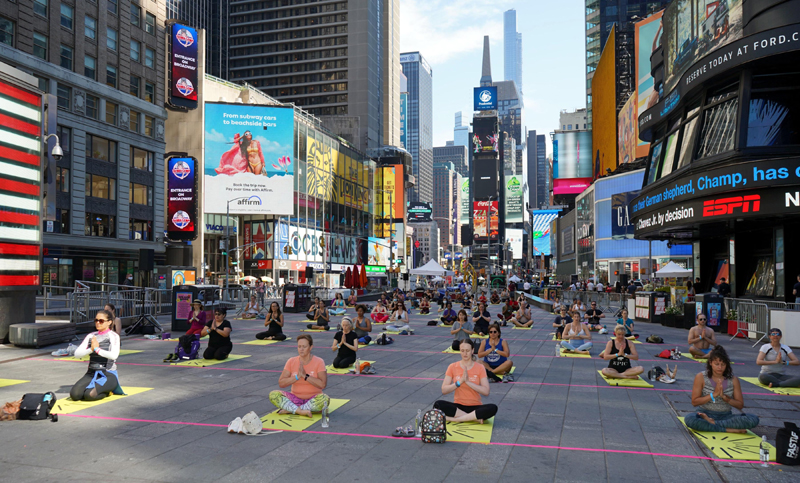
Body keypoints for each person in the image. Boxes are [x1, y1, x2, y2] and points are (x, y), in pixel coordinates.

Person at [684, 346, 759, 433]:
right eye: (717, 364)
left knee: (753, 419)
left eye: (723, 364)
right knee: (690, 420)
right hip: (704, 414)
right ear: (711, 363)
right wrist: (714, 395)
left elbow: (740, 405)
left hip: (725, 416)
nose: (720, 367)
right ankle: (728, 429)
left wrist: (726, 399)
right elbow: (694, 402)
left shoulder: (733, 380)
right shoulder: (701, 377)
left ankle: (713, 423)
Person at [433, 339, 498, 424]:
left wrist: (468, 382)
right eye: (462, 351)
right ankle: (473, 418)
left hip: (475, 406)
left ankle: (456, 419)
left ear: (472, 350)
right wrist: (459, 382)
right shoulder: (452, 366)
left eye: (467, 350)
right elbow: (444, 390)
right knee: (438, 405)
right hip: (458, 407)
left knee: (493, 408)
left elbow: (486, 391)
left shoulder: (480, 367)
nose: (465, 353)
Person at [269, 335, 330, 417]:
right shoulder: (291, 361)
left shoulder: (319, 361)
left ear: (311, 347)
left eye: (304, 346)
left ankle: (292, 409)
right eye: (299, 346)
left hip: (313, 399)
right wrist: (297, 377)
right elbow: (281, 383)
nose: (301, 349)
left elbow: (322, 384)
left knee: (325, 399)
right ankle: (301, 410)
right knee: (273, 395)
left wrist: (305, 376)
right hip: (294, 399)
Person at [70, 310, 122, 401]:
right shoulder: (91, 335)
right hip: (91, 373)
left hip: (107, 374)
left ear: (109, 322)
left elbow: (114, 355)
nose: (98, 323)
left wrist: (97, 349)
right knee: (75, 395)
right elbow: (77, 354)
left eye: (101, 321)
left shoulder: (113, 336)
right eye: (96, 320)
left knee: (89, 395)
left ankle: (108, 391)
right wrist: (91, 349)